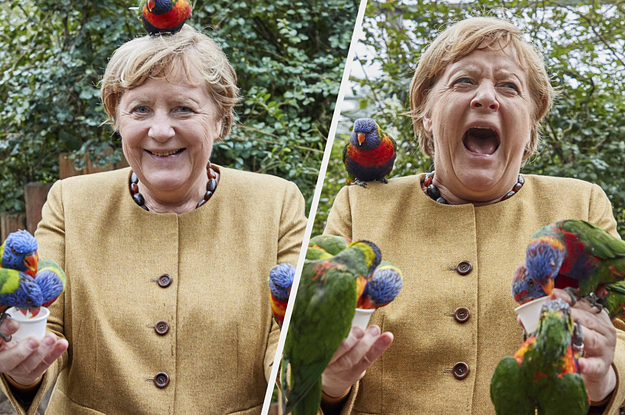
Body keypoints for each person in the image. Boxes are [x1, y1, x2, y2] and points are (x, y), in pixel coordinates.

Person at [320, 17, 625, 414]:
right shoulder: (359, 206)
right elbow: (304, 349)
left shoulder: (581, 205)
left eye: (509, 86)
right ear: (427, 115)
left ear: (532, 124)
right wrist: (328, 384)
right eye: (463, 81)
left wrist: (605, 377)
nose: (486, 98)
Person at [0, 25, 306, 415]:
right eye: (141, 109)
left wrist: (306, 375)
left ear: (220, 120)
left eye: (183, 108)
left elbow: (289, 333)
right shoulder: (71, 202)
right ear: (118, 119)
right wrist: (23, 371)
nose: (160, 131)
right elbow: (43, 322)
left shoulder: (276, 202)